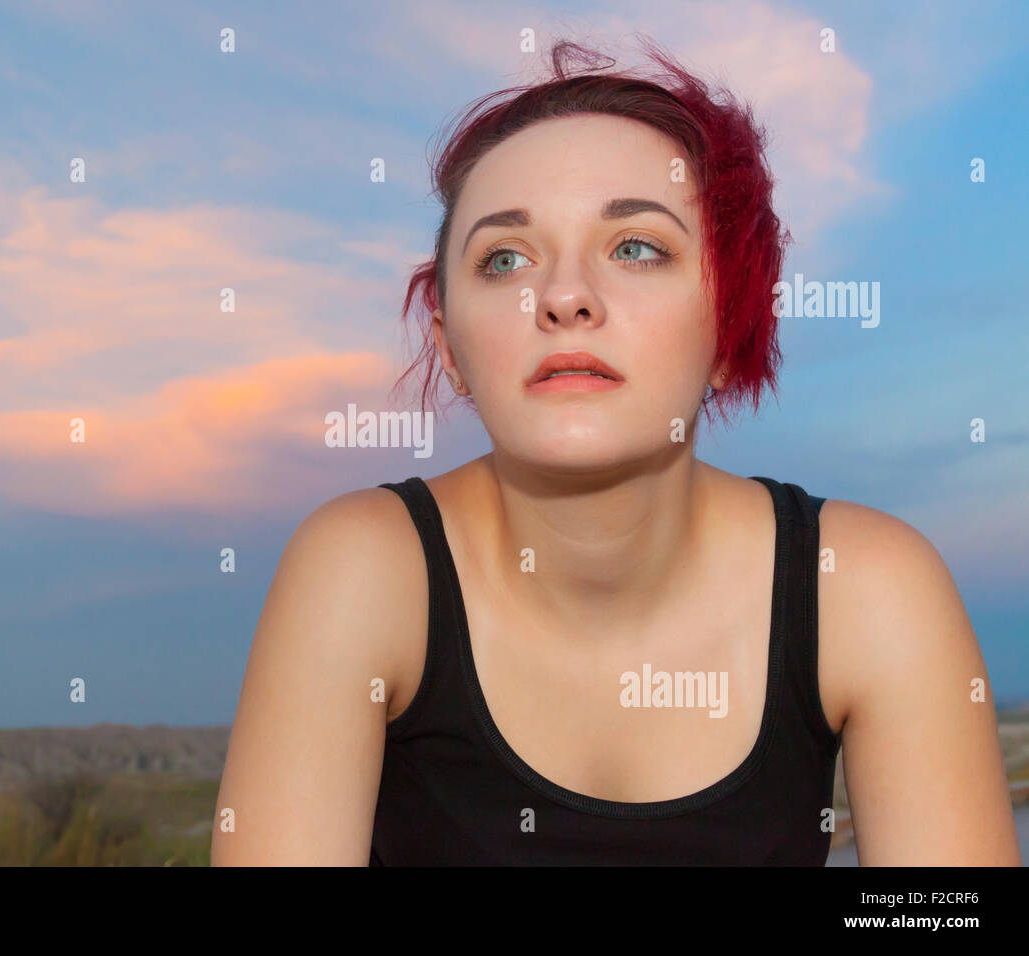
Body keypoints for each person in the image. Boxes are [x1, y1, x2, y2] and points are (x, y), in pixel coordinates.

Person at [211, 37, 1020, 865]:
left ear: (732, 330)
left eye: (636, 247)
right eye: (504, 258)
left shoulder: (866, 589)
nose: (563, 295)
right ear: (448, 343)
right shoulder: (363, 569)